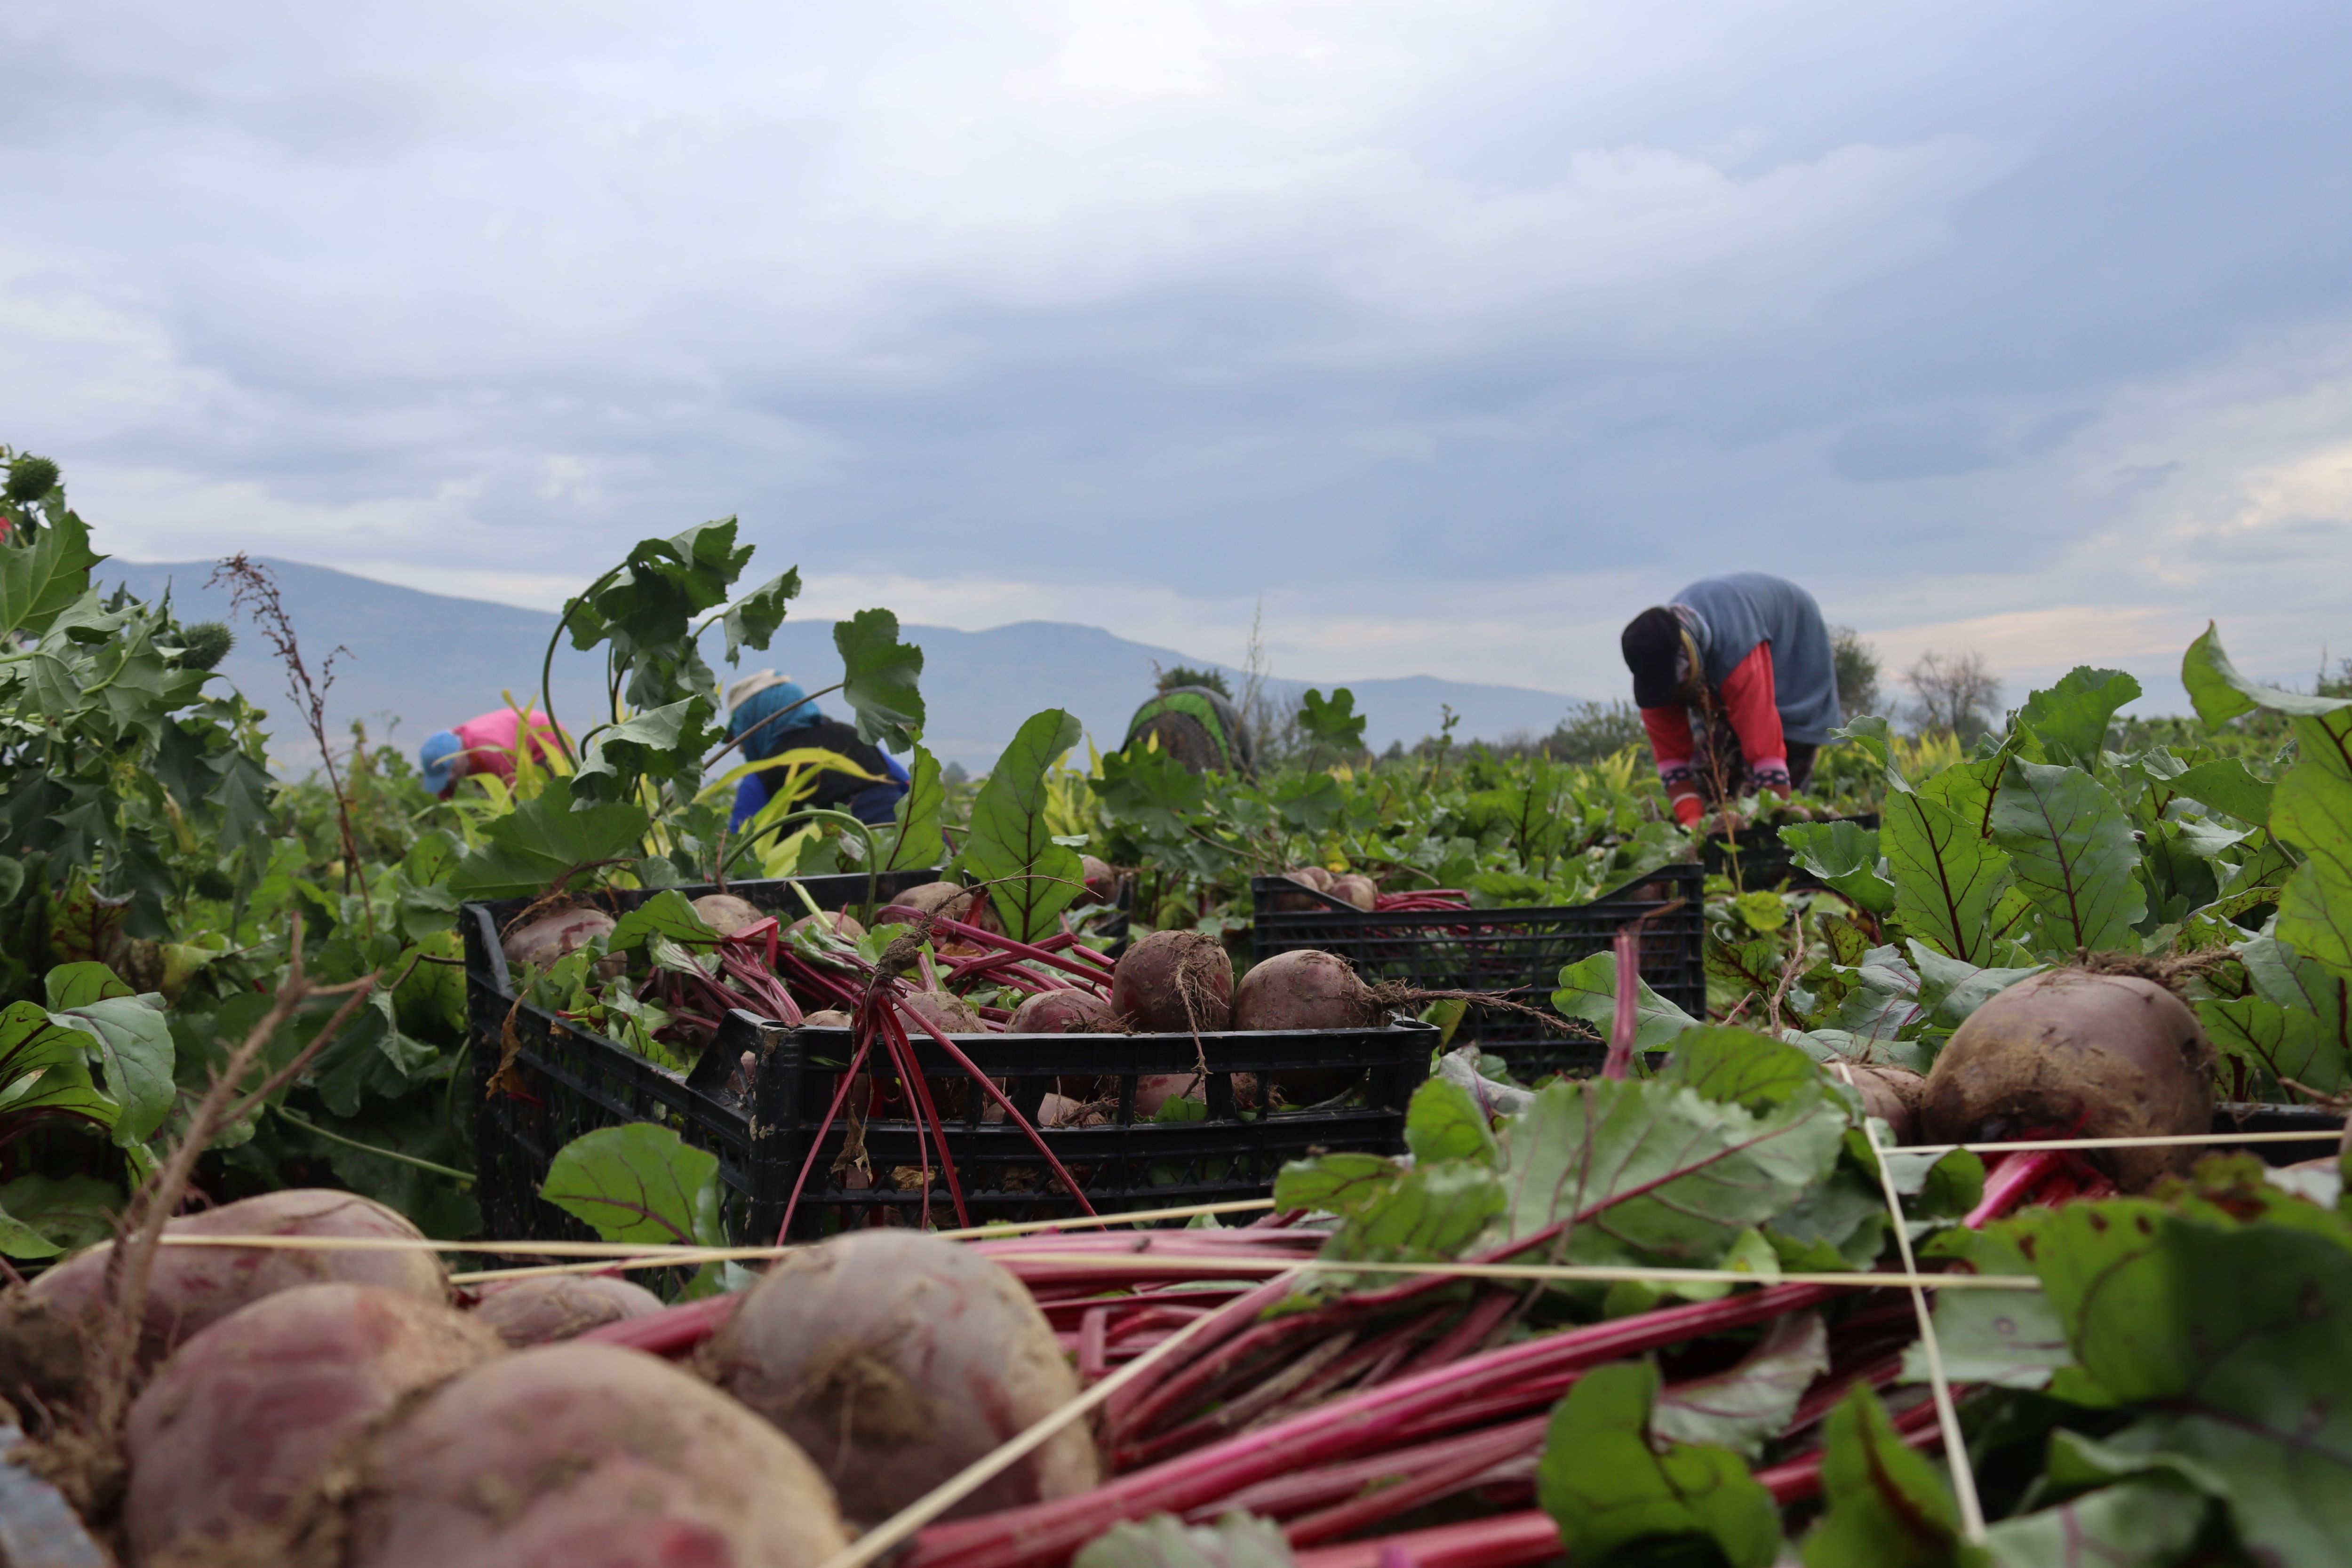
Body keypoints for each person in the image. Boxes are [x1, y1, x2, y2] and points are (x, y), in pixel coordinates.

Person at [1619, 572, 1841, 828]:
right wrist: (1695, 824)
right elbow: (1672, 760)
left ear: (1687, 655)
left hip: (1794, 645)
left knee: (1783, 773)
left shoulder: (1737, 655)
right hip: (1718, 656)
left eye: (1675, 684)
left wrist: (1772, 819)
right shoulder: (1652, 659)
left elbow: (1764, 748)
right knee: (1712, 777)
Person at [724, 671, 910, 833]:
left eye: (740, 733)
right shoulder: (854, 737)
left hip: (847, 872)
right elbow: (911, 788)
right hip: (912, 856)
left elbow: (737, 858)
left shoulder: (760, 779)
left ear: (755, 723)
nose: (740, 747)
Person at [418, 706, 569, 800]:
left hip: (546, 738)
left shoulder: (488, 752)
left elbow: (511, 795)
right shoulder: (458, 745)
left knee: (538, 801)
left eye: (451, 773)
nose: (451, 779)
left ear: (457, 758)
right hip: (511, 742)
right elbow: (447, 794)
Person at [1121, 685, 1256, 778]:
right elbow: (1251, 775)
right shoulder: (1237, 726)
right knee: (1202, 791)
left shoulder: (1232, 719)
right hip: (1198, 723)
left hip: (1146, 718)